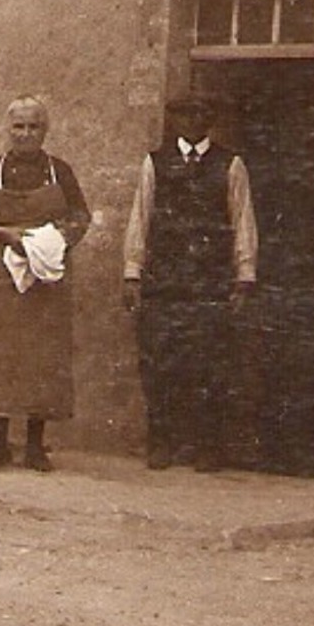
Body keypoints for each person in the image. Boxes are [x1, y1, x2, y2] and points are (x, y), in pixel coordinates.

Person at [121, 91, 259, 473]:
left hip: (210, 280)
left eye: (200, 116)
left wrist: (244, 276)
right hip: (164, 280)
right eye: (183, 116)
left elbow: (242, 219)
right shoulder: (155, 163)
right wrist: (133, 272)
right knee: (160, 362)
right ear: (174, 121)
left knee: (211, 363)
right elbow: (141, 217)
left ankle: (206, 447)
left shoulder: (230, 164)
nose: (192, 123)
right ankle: (162, 442)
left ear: (210, 121)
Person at [0, 96, 92, 472]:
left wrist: (51, 242)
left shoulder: (60, 171)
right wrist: (2, 232)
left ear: (44, 131)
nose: (26, 134)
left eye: (34, 126)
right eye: (19, 126)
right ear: (8, 130)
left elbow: (80, 215)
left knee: (43, 356)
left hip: (46, 275)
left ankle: (35, 445)